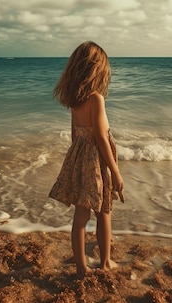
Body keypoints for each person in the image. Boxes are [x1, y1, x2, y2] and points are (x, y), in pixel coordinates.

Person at [49, 41, 125, 278]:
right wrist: (115, 171)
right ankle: (105, 262)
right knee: (104, 212)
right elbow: (101, 137)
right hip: (98, 162)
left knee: (81, 216)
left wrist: (76, 164)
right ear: (96, 70)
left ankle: (82, 268)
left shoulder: (75, 100)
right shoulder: (96, 99)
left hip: (80, 158)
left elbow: (75, 135)